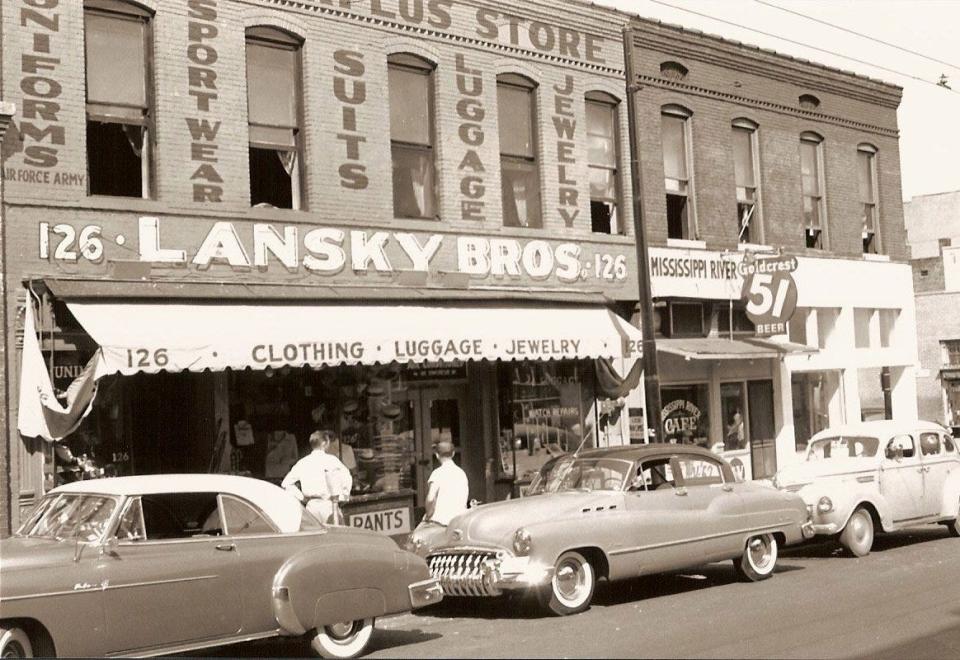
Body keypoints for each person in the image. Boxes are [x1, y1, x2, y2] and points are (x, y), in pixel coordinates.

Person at [281, 430, 353, 524]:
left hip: (311, 508)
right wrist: (343, 497)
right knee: (336, 536)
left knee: (313, 538)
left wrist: (302, 498)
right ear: (324, 443)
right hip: (329, 506)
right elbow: (347, 479)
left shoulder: (303, 462)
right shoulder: (332, 460)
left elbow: (286, 484)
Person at [423, 441, 469, 526]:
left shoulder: (437, 473)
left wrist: (428, 515)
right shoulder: (461, 473)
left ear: (437, 455)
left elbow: (430, 498)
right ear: (453, 454)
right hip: (460, 521)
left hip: (441, 523)